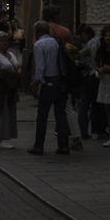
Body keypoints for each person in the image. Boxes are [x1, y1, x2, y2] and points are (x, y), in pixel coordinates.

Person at [27, 20, 71, 156]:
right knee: (60, 114)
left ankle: (39, 145)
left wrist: (36, 83)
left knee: (42, 115)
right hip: (61, 81)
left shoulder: (39, 45)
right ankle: (64, 145)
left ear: (37, 32)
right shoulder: (57, 42)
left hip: (48, 83)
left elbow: (40, 66)